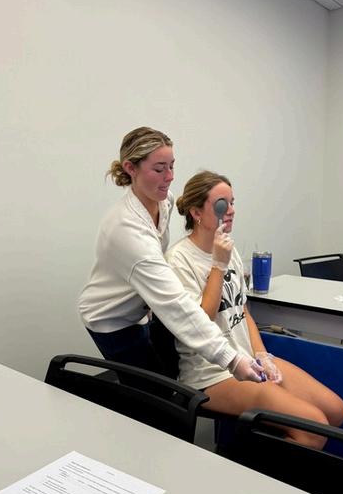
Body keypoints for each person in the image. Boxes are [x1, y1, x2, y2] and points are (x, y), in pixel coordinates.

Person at [166, 171, 343, 449]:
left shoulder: (228, 249)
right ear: (196, 212)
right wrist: (218, 265)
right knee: (314, 429)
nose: (231, 210)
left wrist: (262, 355)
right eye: (222, 204)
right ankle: (253, 472)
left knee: (335, 411)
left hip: (247, 360)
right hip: (210, 374)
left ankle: (254, 455)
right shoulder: (179, 259)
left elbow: (242, 311)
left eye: (233, 202)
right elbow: (201, 322)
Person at [78, 127, 264, 383]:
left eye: (172, 166)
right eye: (159, 169)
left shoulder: (164, 202)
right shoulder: (127, 232)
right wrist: (232, 359)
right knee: (152, 394)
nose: (170, 177)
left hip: (143, 309)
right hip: (111, 319)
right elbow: (176, 303)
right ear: (131, 168)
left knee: (167, 379)